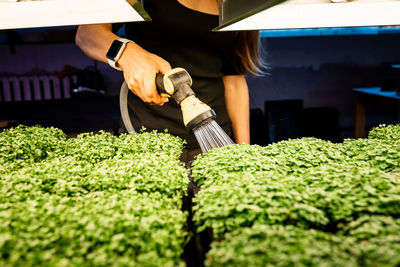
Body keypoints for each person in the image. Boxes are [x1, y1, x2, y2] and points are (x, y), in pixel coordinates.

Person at [75, 0, 264, 162]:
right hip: (146, 142)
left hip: (216, 138)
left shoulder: (238, 4)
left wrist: (243, 152)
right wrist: (126, 52)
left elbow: (233, 81)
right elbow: (87, 34)